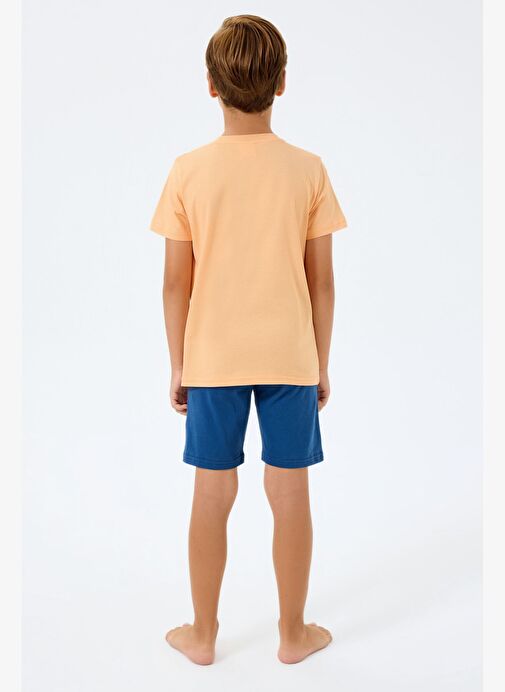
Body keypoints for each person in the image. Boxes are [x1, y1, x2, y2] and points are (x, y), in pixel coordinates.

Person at [150, 14, 347, 665]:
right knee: (289, 494)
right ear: (281, 82)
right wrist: (319, 362)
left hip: (212, 360)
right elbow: (322, 282)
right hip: (290, 355)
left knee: (212, 493)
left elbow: (175, 284)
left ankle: (203, 634)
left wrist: (178, 364)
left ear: (210, 85)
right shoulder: (308, 170)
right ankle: (293, 634)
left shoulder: (188, 171)